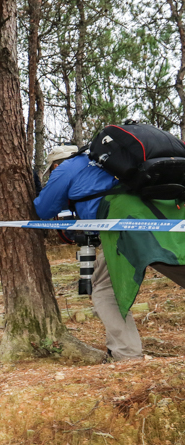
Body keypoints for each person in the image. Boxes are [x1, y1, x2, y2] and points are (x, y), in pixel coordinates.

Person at [33, 147, 185, 361]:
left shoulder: (65, 168)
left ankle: (127, 354)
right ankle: (122, 350)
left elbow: (43, 209)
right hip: (161, 211)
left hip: (124, 221)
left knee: (104, 289)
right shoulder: (105, 160)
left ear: (56, 164)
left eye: (51, 171)